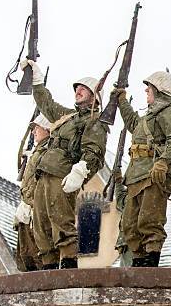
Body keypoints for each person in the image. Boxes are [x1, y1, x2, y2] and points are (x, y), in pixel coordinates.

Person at [21, 59, 108, 269]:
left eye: (83, 88)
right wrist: (37, 81)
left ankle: (68, 271)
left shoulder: (94, 121)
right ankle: (49, 272)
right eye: (76, 88)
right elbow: (46, 104)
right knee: (42, 229)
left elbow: (94, 152)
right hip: (44, 174)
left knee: (62, 225)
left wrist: (81, 171)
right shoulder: (68, 117)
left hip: (62, 175)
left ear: (94, 96)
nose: (77, 90)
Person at [113, 71, 171, 267]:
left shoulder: (170, 111)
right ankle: (140, 263)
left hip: (153, 174)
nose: (145, 90)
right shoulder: (150, 116)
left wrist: (163, 161)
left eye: (149, 87)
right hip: (135, 175)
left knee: (149, 222)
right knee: (130, 226)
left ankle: (149, 265)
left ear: (160, 89)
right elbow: (134, 124)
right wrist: (122, 101)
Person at [13, 114, 51, 271]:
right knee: (24, 255)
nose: (34, 131)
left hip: (36, 207)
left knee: (38, 255)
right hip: (26, 208)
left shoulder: (50, 150)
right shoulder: (36, 151)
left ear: (48, 130)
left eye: (38, 128)